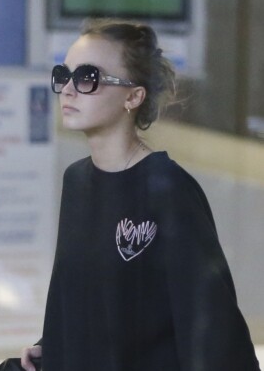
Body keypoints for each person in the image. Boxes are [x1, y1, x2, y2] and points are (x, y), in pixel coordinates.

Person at [21, 18, 260, 371]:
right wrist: (52, 346)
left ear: (133, 96)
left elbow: (213, 328)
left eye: (88, 77)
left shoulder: (169, 189)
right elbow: (80, 298)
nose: (68, 90)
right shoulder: (77, 181)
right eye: (63, 75)